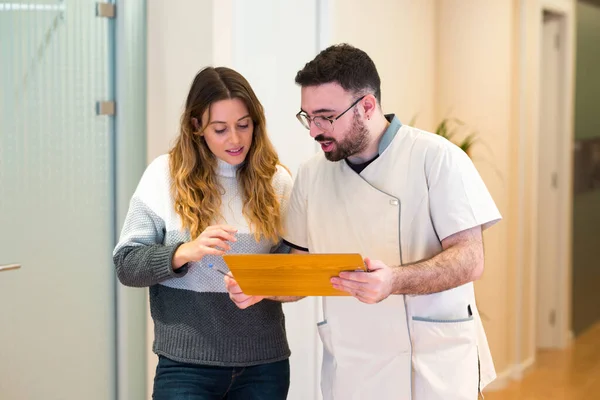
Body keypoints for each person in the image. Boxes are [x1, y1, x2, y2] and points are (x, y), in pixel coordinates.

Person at [225, 44, 502, 399]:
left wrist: (394, 280)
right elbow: (301, 268)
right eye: (308, 117)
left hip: (430, 366)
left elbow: (469, 258)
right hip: (354, 367)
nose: (314, 131)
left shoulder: (437, 158)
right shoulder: (312, 176)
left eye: (326, 117)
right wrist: (261, 286)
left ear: (367, 106)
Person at [113, 66, 293, 400]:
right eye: (220, 129)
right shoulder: (163, 176)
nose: (235, 139)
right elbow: (126, 264)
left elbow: (296, 271)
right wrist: (183, 252)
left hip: (263, 368)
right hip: (185, 368)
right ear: (196, 126)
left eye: (243, 125)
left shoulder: (277, 181)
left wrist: (264, 286)